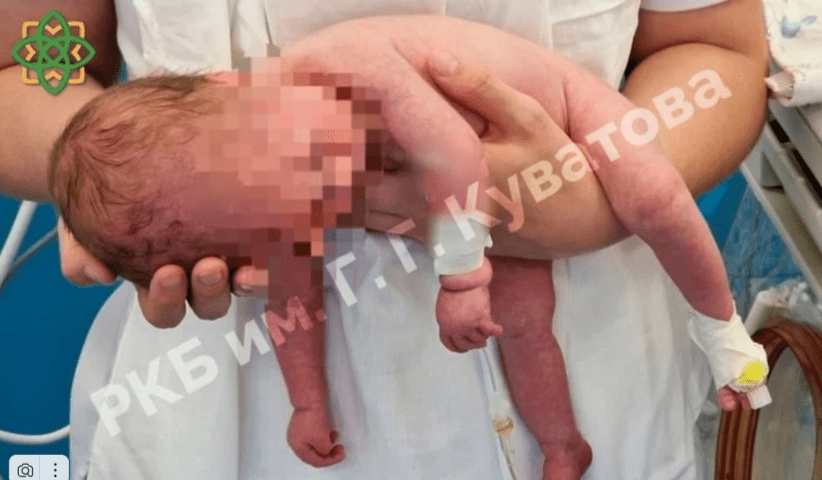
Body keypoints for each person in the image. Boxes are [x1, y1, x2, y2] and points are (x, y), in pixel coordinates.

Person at [0, 0, 769, 479]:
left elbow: (716, 46)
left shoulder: (339, 69)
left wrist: (580, 208)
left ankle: (714, 332)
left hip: (579, 267)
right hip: (229, 393)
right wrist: (113, 170)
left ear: (235, 86)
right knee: (288, 279)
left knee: (548, 300)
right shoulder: (262, 190)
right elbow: (35, 59)